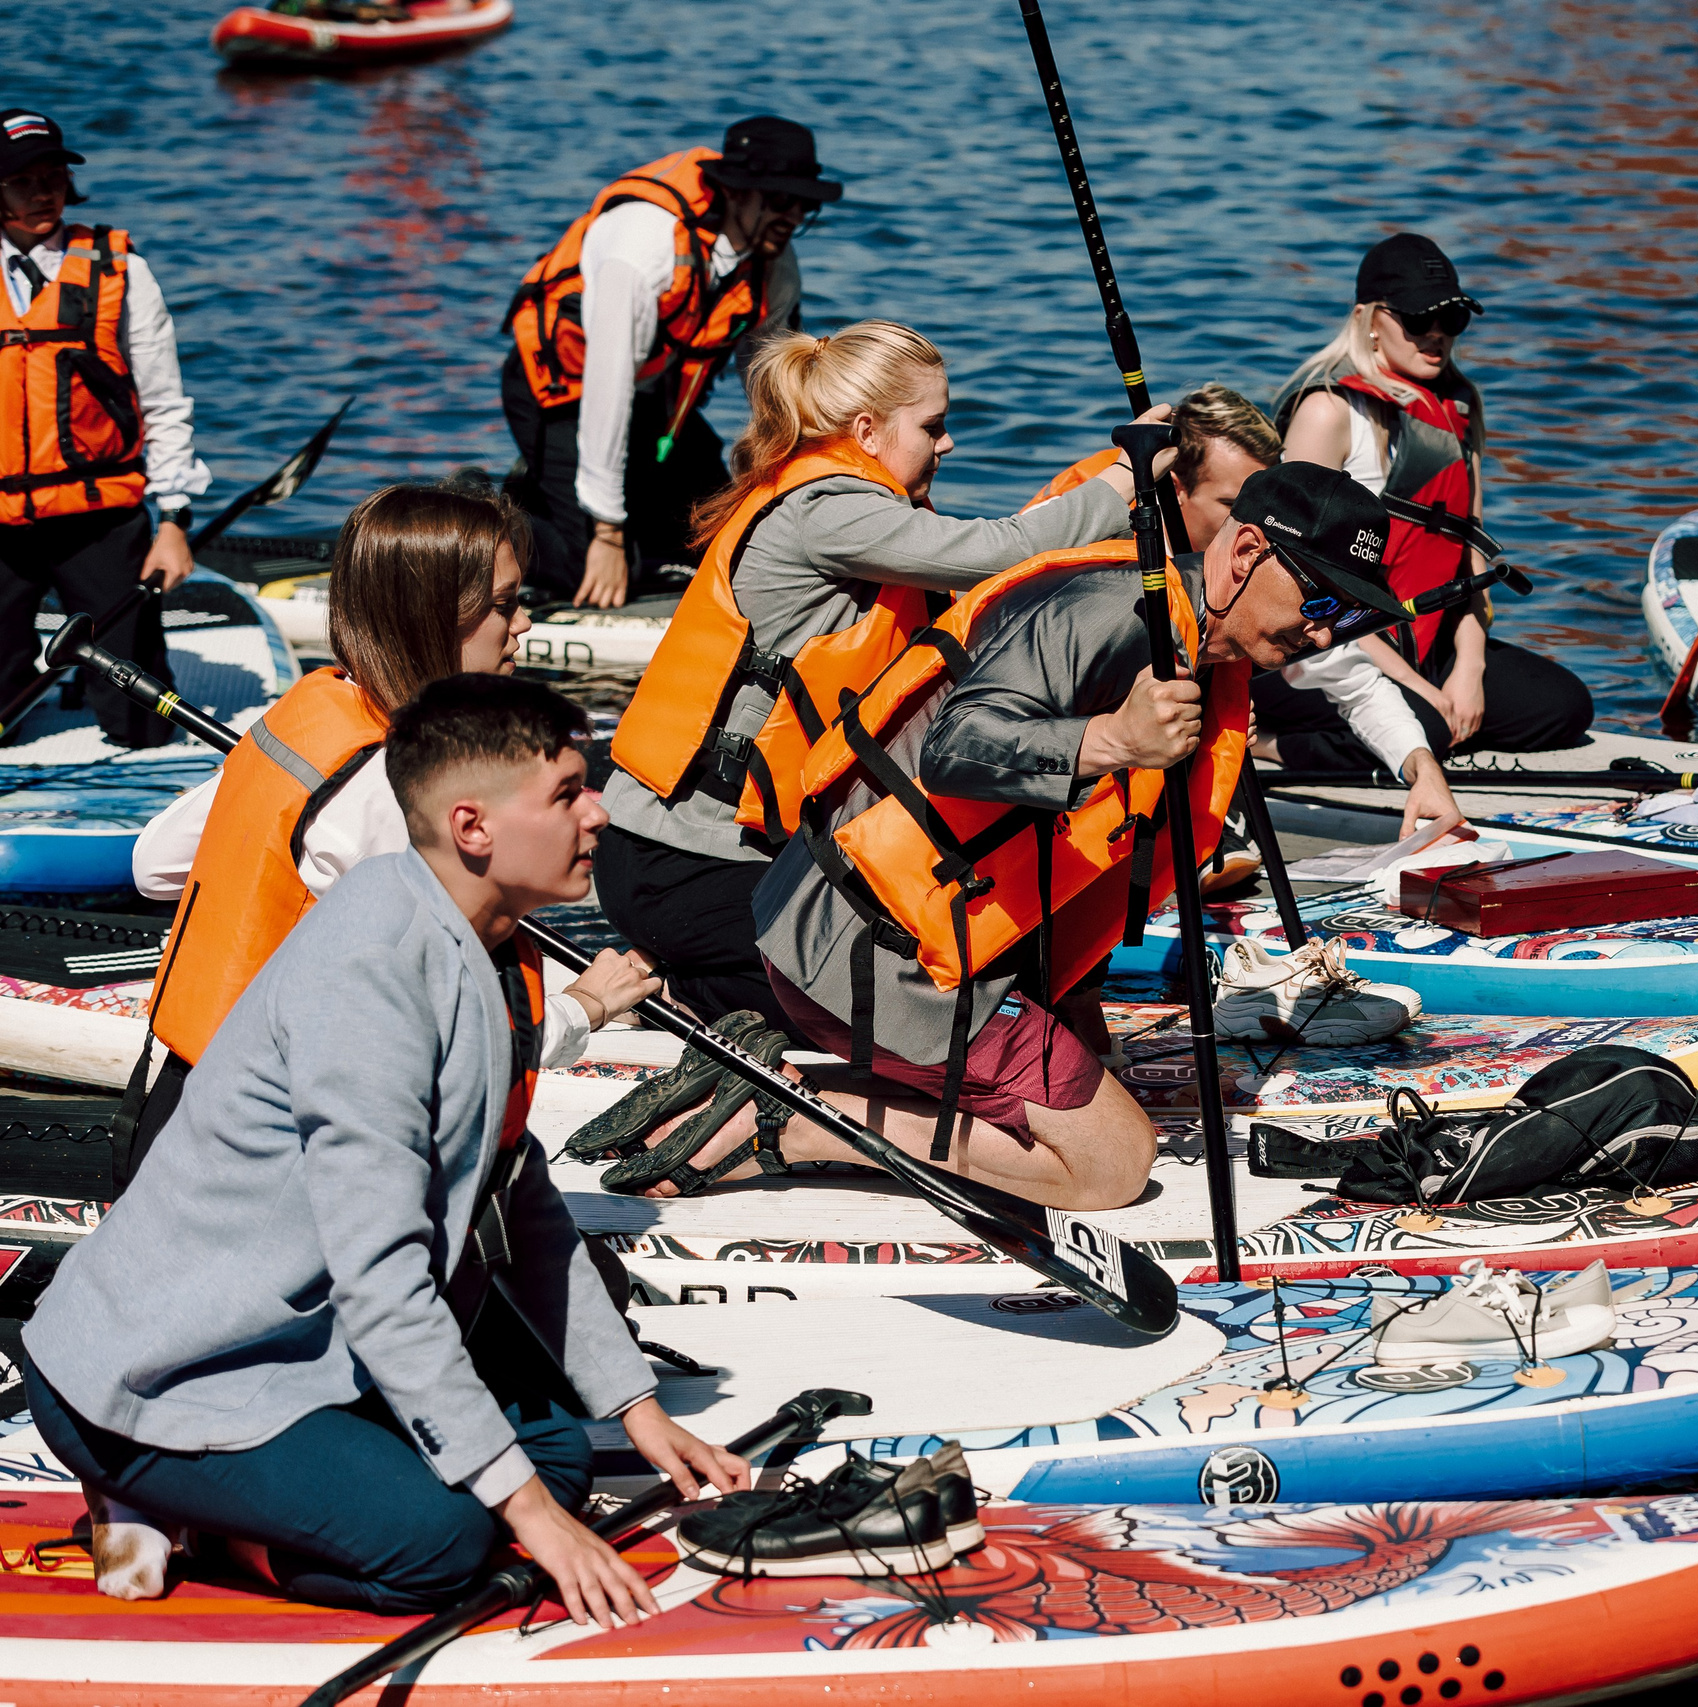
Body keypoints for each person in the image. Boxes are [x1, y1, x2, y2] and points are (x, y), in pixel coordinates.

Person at [22, 674, 734, 1619]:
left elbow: (517, 1190)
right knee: (442, 1543)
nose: (597, 811)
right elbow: (383, 1273)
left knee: (557, 1454)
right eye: (568, 793)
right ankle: (190, 1514)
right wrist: (528, 1515)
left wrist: (636, 1411)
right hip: (155, 1373)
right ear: (473, 827)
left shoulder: (483, 943)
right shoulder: (373, 970)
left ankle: (266, 1500)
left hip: (293, 1349)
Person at [586, 463, 1408, 1208]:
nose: (1325, 632)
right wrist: (1110, 739)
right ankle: (792, 1119)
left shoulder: (1197, 645)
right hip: (874, 952)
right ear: (1247, 552)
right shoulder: (1113, 613)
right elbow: (957, 746)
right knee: (1113, 1160)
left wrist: (1070, 1012)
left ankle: (762, 1078)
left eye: (1348, 616)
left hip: (903, 940)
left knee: (1088, 1087)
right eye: (1321, 601)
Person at [595, 321, 1151, 1038]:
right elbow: (1004, 551)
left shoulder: (863, 506)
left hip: (726, 854)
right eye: (933, 427)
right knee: (893, 1014)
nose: (948, 444)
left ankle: (698, 971)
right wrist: (1127, 473)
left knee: (922, 962)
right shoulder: (828, 511)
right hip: (678, 860)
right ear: (866, 431)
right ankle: (686, 986)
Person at [123, 482, 658, 1179]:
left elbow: (153, 863)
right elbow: (463, 1044)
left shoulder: (313, 714)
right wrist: (587, 1006)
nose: (524, 623)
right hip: (275, 1156)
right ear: (433, 616)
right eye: (504, 605)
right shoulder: (396, 791)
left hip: (176, 1107)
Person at [1026, 384, 1462, 836]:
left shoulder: (1264, 568)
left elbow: (1350, 679)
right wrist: (1116, 740)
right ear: (1176, 489)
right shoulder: (1100, 557)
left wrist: (1421, 766)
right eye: (1233, 505)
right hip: (1063, 761)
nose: (1249, 521)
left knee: (1425, 727)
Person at [1266, 232, 1591, 774]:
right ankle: (1269, 745)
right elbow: (1302, 584)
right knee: (1428, 729)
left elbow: (1470, 558)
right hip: (1325, 650)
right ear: (1369, 319)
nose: (1436, 335)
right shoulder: (1328, 412)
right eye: (1419, 319)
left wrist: (1468, 669)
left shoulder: (1457, 408)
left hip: (1427, 642)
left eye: (1452, 320)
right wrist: (1418, 690)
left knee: (1564, 706)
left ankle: (1420, 716)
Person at [501, 116, 839, 607]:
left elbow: (776, 391)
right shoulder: (643, 250)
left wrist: (806, 485)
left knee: (716, 535)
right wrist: (607, 533)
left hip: (650, 401)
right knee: (592, 566)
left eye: (804, 204)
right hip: (559, 393)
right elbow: (607, 389)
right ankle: (485, 512)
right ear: (734, 192)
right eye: (779, 199)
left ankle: (560, 499)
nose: (792, 216)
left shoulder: (775, 266)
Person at [0, 109, 208, 749]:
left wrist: (173, 521)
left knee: (141, 716)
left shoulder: (121, 272)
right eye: (23, 180)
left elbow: (165, 402)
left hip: (100, 521)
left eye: (54, 176)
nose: (44, 192)